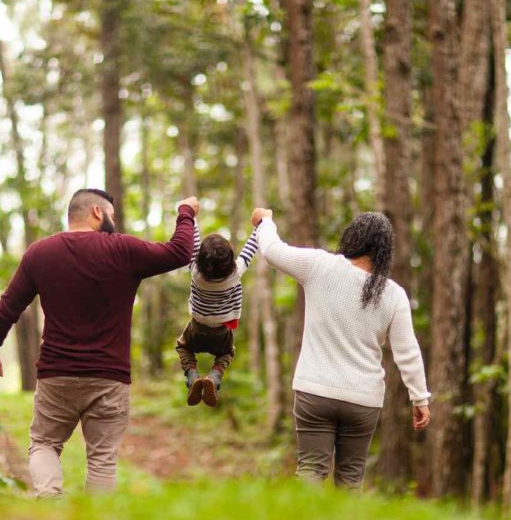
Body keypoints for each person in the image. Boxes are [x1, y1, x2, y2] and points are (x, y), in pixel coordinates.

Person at [0, 189, 199, 497]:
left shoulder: (40, 254)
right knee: (102, 460)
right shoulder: (123, 250)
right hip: (110, 378)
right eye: (112, 214)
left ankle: (51, 501)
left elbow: (8, 307)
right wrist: (185, 212)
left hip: (58, 376)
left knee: (44, 444)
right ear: (97, 212)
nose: (114, 220)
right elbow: (180, 252)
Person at [253, 208, 431, 489]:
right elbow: (407, 352)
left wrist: (265, 222)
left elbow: (273, 251)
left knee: (310, 471)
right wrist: (419, 398)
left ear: (353, 238)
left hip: (315, 392)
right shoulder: (393, 294)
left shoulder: (320, 265)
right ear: (385, 252)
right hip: (363, 400)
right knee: (351, 480)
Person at [175, 217, 259, 407]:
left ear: (200, 260)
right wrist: (260, 226)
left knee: (184, 347)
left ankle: (192, 375)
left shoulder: (195, 271)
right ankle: (214, 377)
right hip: (221, 329)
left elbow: (194, 241)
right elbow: (251, 248)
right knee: (227, 353)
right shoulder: (236, 273)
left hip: (197, 325)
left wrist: (192, 218)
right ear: (230, 259)